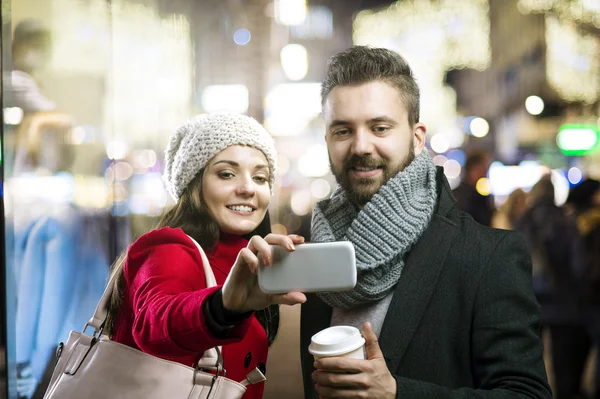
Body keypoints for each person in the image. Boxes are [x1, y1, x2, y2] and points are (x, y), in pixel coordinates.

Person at [300, 46, 551, 399]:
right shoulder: (318, 254)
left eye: (380, 127)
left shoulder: (489, 255)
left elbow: (528, 394)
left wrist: (397, 394)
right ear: (328, 140)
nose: (360, 145)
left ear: (417, 138)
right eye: (343, 131)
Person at [105, 113, 306, 399]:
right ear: (194, 184)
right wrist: (221, 308)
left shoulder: (246, 257)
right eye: (226, 173)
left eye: (260, 177)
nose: (249, 188)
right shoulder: (170, 247)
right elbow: (155, 322)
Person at [516, 175, 587, 399]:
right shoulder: (566, 220)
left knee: (527, 361)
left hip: (528, 300)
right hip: (563, 302)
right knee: (563, 364)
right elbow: (579, 265)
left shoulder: (523, 220)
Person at [566, 178, 600, 399]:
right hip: (592, 296)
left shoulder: (568, 221)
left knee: (573, 357)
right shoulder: (593, 222)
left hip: (573, 298)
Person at [453, 150, 495, 226]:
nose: (485, 175)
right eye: (484, 169)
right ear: (473, 169)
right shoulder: (462, 197)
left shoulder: (481, 195)